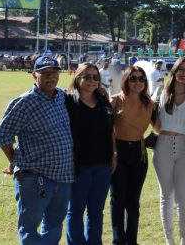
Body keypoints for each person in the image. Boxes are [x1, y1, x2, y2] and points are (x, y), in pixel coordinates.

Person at [0, 56, 74, 244]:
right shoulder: (24, 102)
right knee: (30, 229)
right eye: (45, 73)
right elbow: (2, 135)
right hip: (35, 179)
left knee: (54, 226)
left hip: (62, 177)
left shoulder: (61, 97)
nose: (50, 76)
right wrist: (14, 161)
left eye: (54, 72)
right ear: (34, 75)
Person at [65, 62, 115, 245]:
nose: (92, 81)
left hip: (102, 165)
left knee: (96, 211)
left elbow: (110, 131)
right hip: (78, 166)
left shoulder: (103, 101)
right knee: (76, 210)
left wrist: (114, 154)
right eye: (87, 76)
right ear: (77, 79)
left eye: (96, 77)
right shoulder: (67, 101)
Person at [110, 65, 157, 245]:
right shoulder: (115, 101)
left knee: (133, 202)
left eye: (141, 78)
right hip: (118, 152)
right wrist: (113, 153)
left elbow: (160, 127)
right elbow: (108, 131)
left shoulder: (150, 104)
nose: (138, 82)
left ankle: (132, 241)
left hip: (139, 153)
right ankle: (118, 240)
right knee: (117, 199)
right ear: (126, 80)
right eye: (133, 78)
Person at [153, 57, 185, 245]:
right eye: (181, 69)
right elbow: (154, 124)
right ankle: (169, 240)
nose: (184, 74)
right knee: (166, 196)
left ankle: (184, 240)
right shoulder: (160, 92)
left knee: (183, 198)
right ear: (174, 70)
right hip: (162, 145)